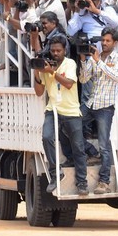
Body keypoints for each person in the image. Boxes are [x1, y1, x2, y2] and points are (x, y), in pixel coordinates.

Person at [33, 37, 88, 195]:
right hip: (53, 109)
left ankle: (82, 183)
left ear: (65, 51)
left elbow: (69, 83)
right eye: (53, 51)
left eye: (59, 51)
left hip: (71, 111)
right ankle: (55, 173)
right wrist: (38, 72)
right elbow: (39, 92)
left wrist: (51, 71)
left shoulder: (70, 63)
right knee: (46, 137)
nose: (55, 53)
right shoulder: (46, 66)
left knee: (78, 147)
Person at [79, 28, 118, 193]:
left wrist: (98, 61)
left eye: (108, 41)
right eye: (103, 40)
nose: (104, 43)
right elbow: (83, 79)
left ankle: (104, 182)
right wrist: (84, 61)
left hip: (105, 107)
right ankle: (90, 151)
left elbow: (116, 77)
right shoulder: (95, 57)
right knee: (67, 126)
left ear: (115, 43)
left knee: (105, 145)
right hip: (91, 104)